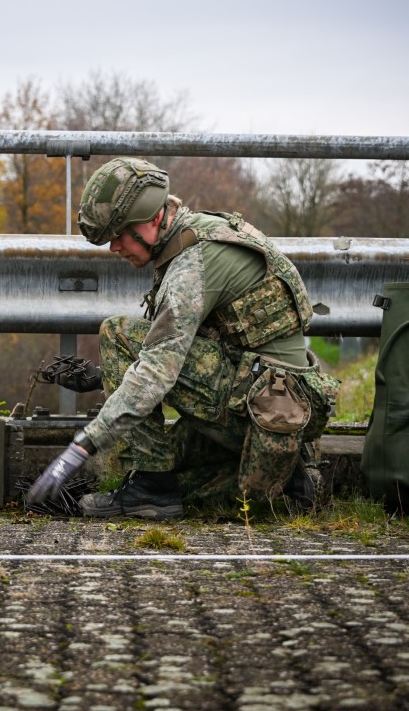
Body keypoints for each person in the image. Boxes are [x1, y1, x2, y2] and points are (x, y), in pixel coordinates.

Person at [27, 157, 340, 519]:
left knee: (118, 334)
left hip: (262, 409)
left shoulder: (193, 265)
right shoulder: (195, 234)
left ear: (153, 219)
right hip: (274, 404)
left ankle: (152, 490)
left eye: (119, 234)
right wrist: (103, 377)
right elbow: (192, 346)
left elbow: (159, 369)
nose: (115, 247)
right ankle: (288, 478)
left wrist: (81, 447)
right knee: (173, 463)